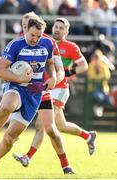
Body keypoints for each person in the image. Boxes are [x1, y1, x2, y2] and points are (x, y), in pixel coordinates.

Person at [0, 13, 74, 175]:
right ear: (24, 28)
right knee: (6, 107)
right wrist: (18, 78)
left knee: (16, 136)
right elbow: (0, 70)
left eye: (37, 35)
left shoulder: (48, 43)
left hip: (38, 92)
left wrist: (53, 79)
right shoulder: (16, 44)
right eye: (29, 31)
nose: (34, 38)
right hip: (17, 87)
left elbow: (56, 68)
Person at [13, 17, 96, 167]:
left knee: (41, 124)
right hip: (45, 88)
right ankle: (88, 136)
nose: (57, 29)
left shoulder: (71, 47)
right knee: (61, 126)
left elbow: (84, 65)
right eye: (56, 27)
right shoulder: (45, 42)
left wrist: (69, 72)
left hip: (60, 89)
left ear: (67, 31)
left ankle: (28, 157)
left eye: (61, 28)